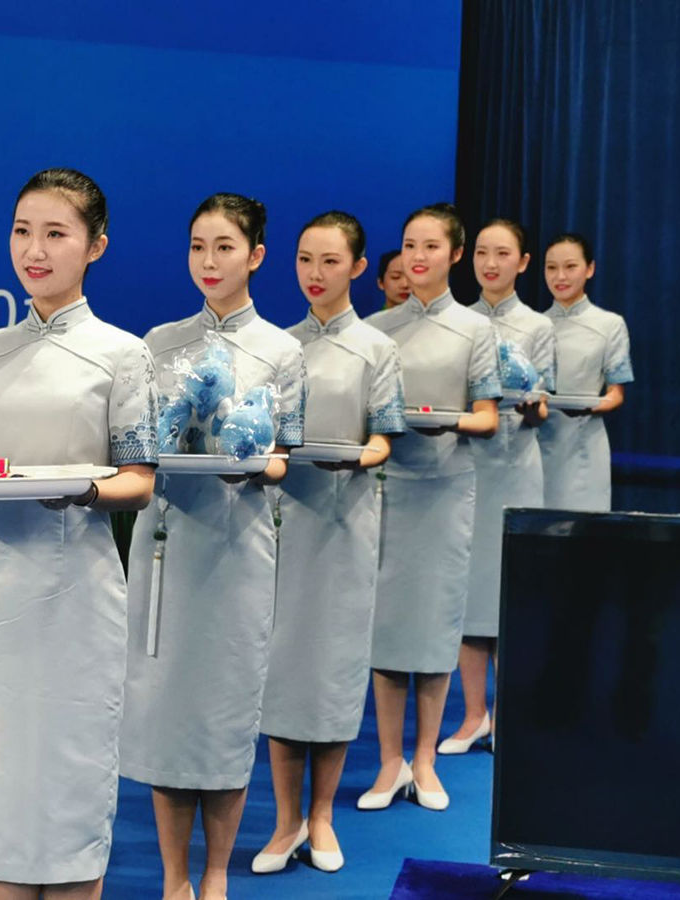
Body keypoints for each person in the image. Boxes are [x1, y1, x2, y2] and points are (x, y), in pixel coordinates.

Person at [0, 168, 158, 900]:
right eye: (22, 231)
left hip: (77, 588)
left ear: (95, 246)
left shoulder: (123, 353)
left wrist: (79, 489)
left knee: (69, 767)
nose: (34, 250)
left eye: (56, 234)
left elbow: (140, 481)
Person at [120, 193, 306, 900]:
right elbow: (138, 448)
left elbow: (287, 459)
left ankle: (217, 874)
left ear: (255, 256)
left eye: (224, 247)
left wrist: (250, 460)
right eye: (198, 245)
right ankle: (175, 879)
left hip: (239, 546)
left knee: (225, 715)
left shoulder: (283, 350)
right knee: (170, 714)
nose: (208, 260)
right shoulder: (157, 344)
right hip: (169, 543)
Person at [254, 211, 405, 877]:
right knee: (285, 671)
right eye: (305, 260)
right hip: (283, 522)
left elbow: (384, 436)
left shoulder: (377, 348)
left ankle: (322, 817)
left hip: (346, 522)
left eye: (330, 261)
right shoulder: (276, 346)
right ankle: (286, 820)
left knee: (335, 669)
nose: (315, 274)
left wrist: (358, 455)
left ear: (358, 268)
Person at [359, 203, 500, 812]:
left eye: (431, 246)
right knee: (388, 628)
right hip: (385, 486)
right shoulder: (375, 328)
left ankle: (425, 760)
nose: (418, 257)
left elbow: (488, 418)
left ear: (455, 254)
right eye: (410, 245)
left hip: (444, 489)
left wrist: (447, 420)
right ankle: (390, 762)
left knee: (436, 625)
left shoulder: (475, 330)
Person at [439, 219, 556, 755]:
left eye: (503, 253)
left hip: (515, 465)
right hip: (466, 464)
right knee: (468, 591)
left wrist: (530, 407)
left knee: (509, 588)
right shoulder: (458, 323)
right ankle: (472, 715)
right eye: (482, 252)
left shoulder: (538, 326)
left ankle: (507, 715)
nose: (490, 263)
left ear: (523, 262)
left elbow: (543, 409)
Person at [536, 233, 633, 512]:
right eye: (551, 267)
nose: (560, 276)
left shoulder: (609, 324)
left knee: (580, 527)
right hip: (536, 442)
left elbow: (616, 393)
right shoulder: (534, 324)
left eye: (570, 267)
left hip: (584, 444)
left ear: (589, 269)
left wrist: (590, 406)